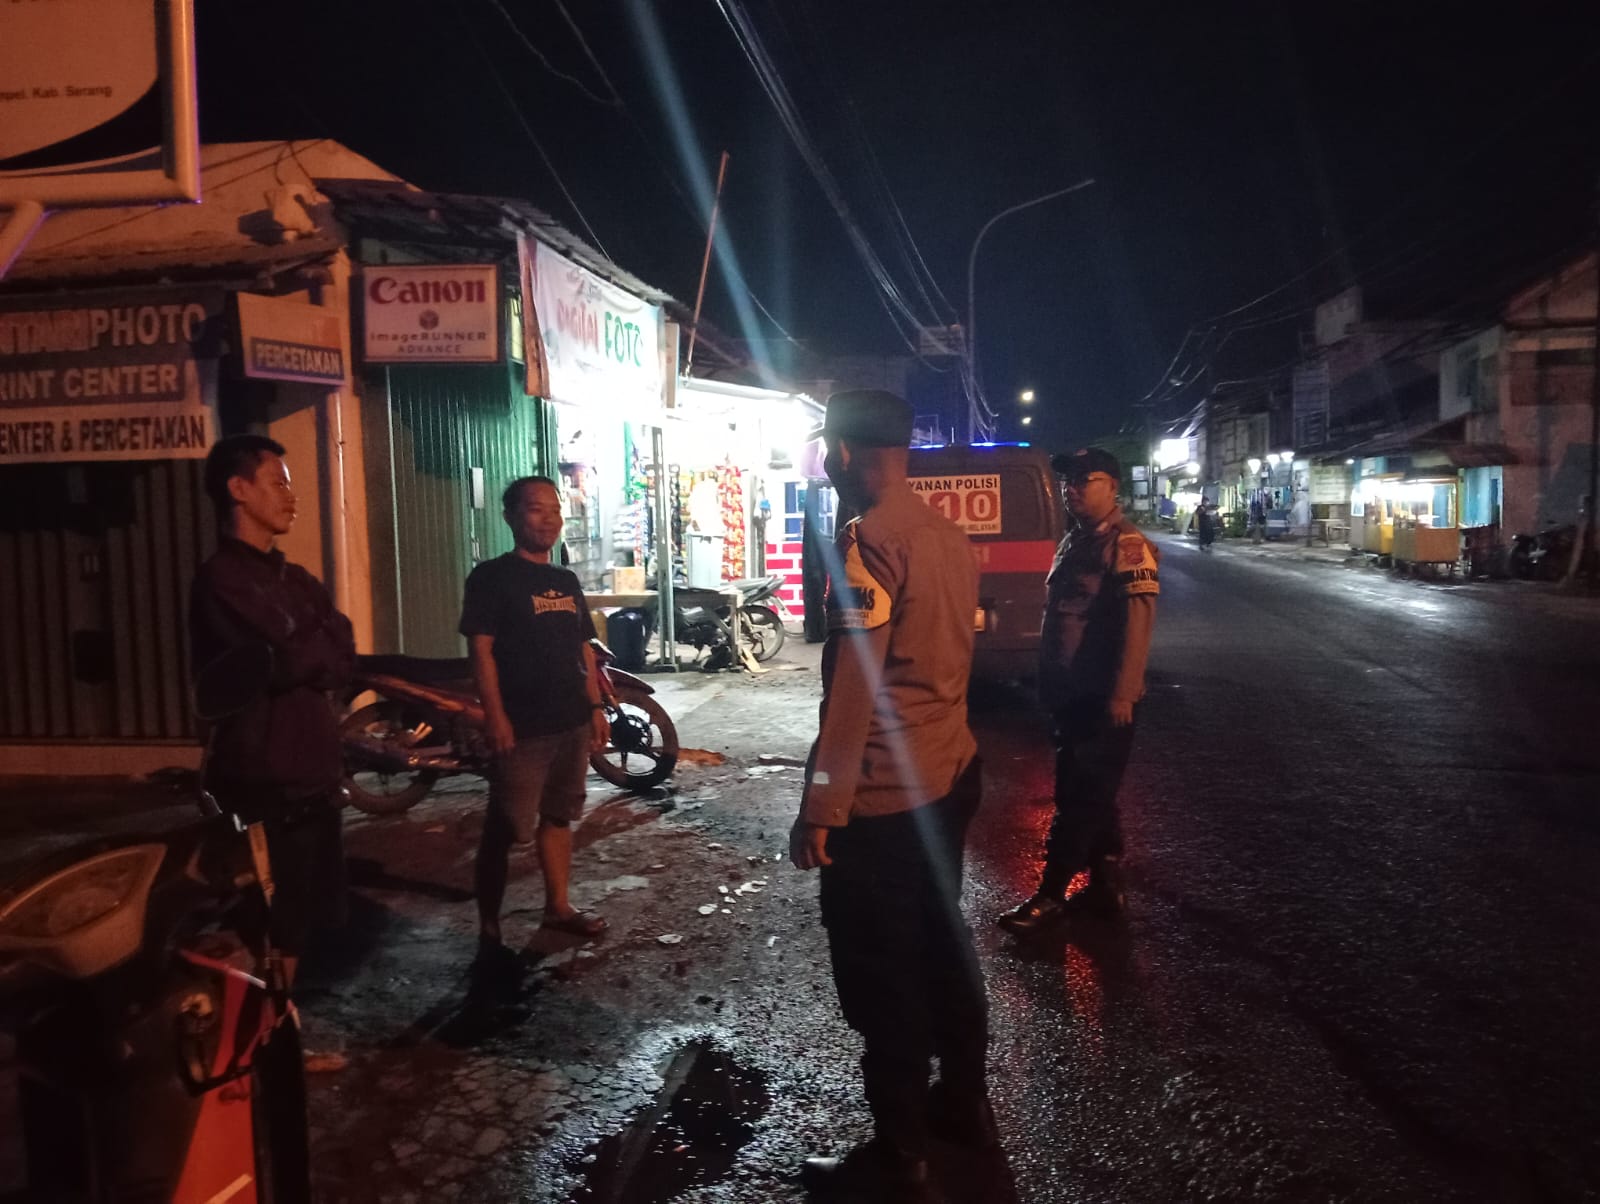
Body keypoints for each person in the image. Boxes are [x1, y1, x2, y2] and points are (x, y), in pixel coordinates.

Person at [790, 390, 991, 1203]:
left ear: (842, 453)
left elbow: (852, 696)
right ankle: (964, 1105)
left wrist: (821, 807)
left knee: (884, 971)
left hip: (883, 799)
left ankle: (902, 1154)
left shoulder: (868, 543)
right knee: (944, 941)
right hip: (950, 772)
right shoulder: (946, 535)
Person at [190, 434, 356, 988]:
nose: (291, 495)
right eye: (278, 483)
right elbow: (283, 660)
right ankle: (265, 1024)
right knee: (266, 919)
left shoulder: (296, 578)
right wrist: (310, 644)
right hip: (263, 780)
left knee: (305, 915)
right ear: (238, 489)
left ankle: (283, 1021)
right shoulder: (221, 578)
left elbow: (341, 653)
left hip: (314, 773)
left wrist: (309, 646)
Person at [999, 447, 1159, 935]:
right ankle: (1106, 887)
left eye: (1084, 480)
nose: (1072, 490)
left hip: (1101, 697)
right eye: (1068, 481)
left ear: (1113, 486)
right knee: (1096, 794)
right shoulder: (1077, 541)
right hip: (1072, 695)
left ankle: (1050, 895)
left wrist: (1123, 694)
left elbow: (1137, 625)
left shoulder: (1126, 545)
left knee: (1078, 797)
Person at [460, 476, 612, 964]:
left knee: (559, 816)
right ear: (510, 516)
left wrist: (595, 708)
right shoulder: (491, 578)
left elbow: (582, 649)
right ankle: (489, 928)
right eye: (535, 509)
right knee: (505, 828)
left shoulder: (565, 581)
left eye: (555, 509)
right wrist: (495, 716)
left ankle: (558, 906)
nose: (549, 519)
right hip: (522, 726)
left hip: (570, 719)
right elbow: (481, 652)